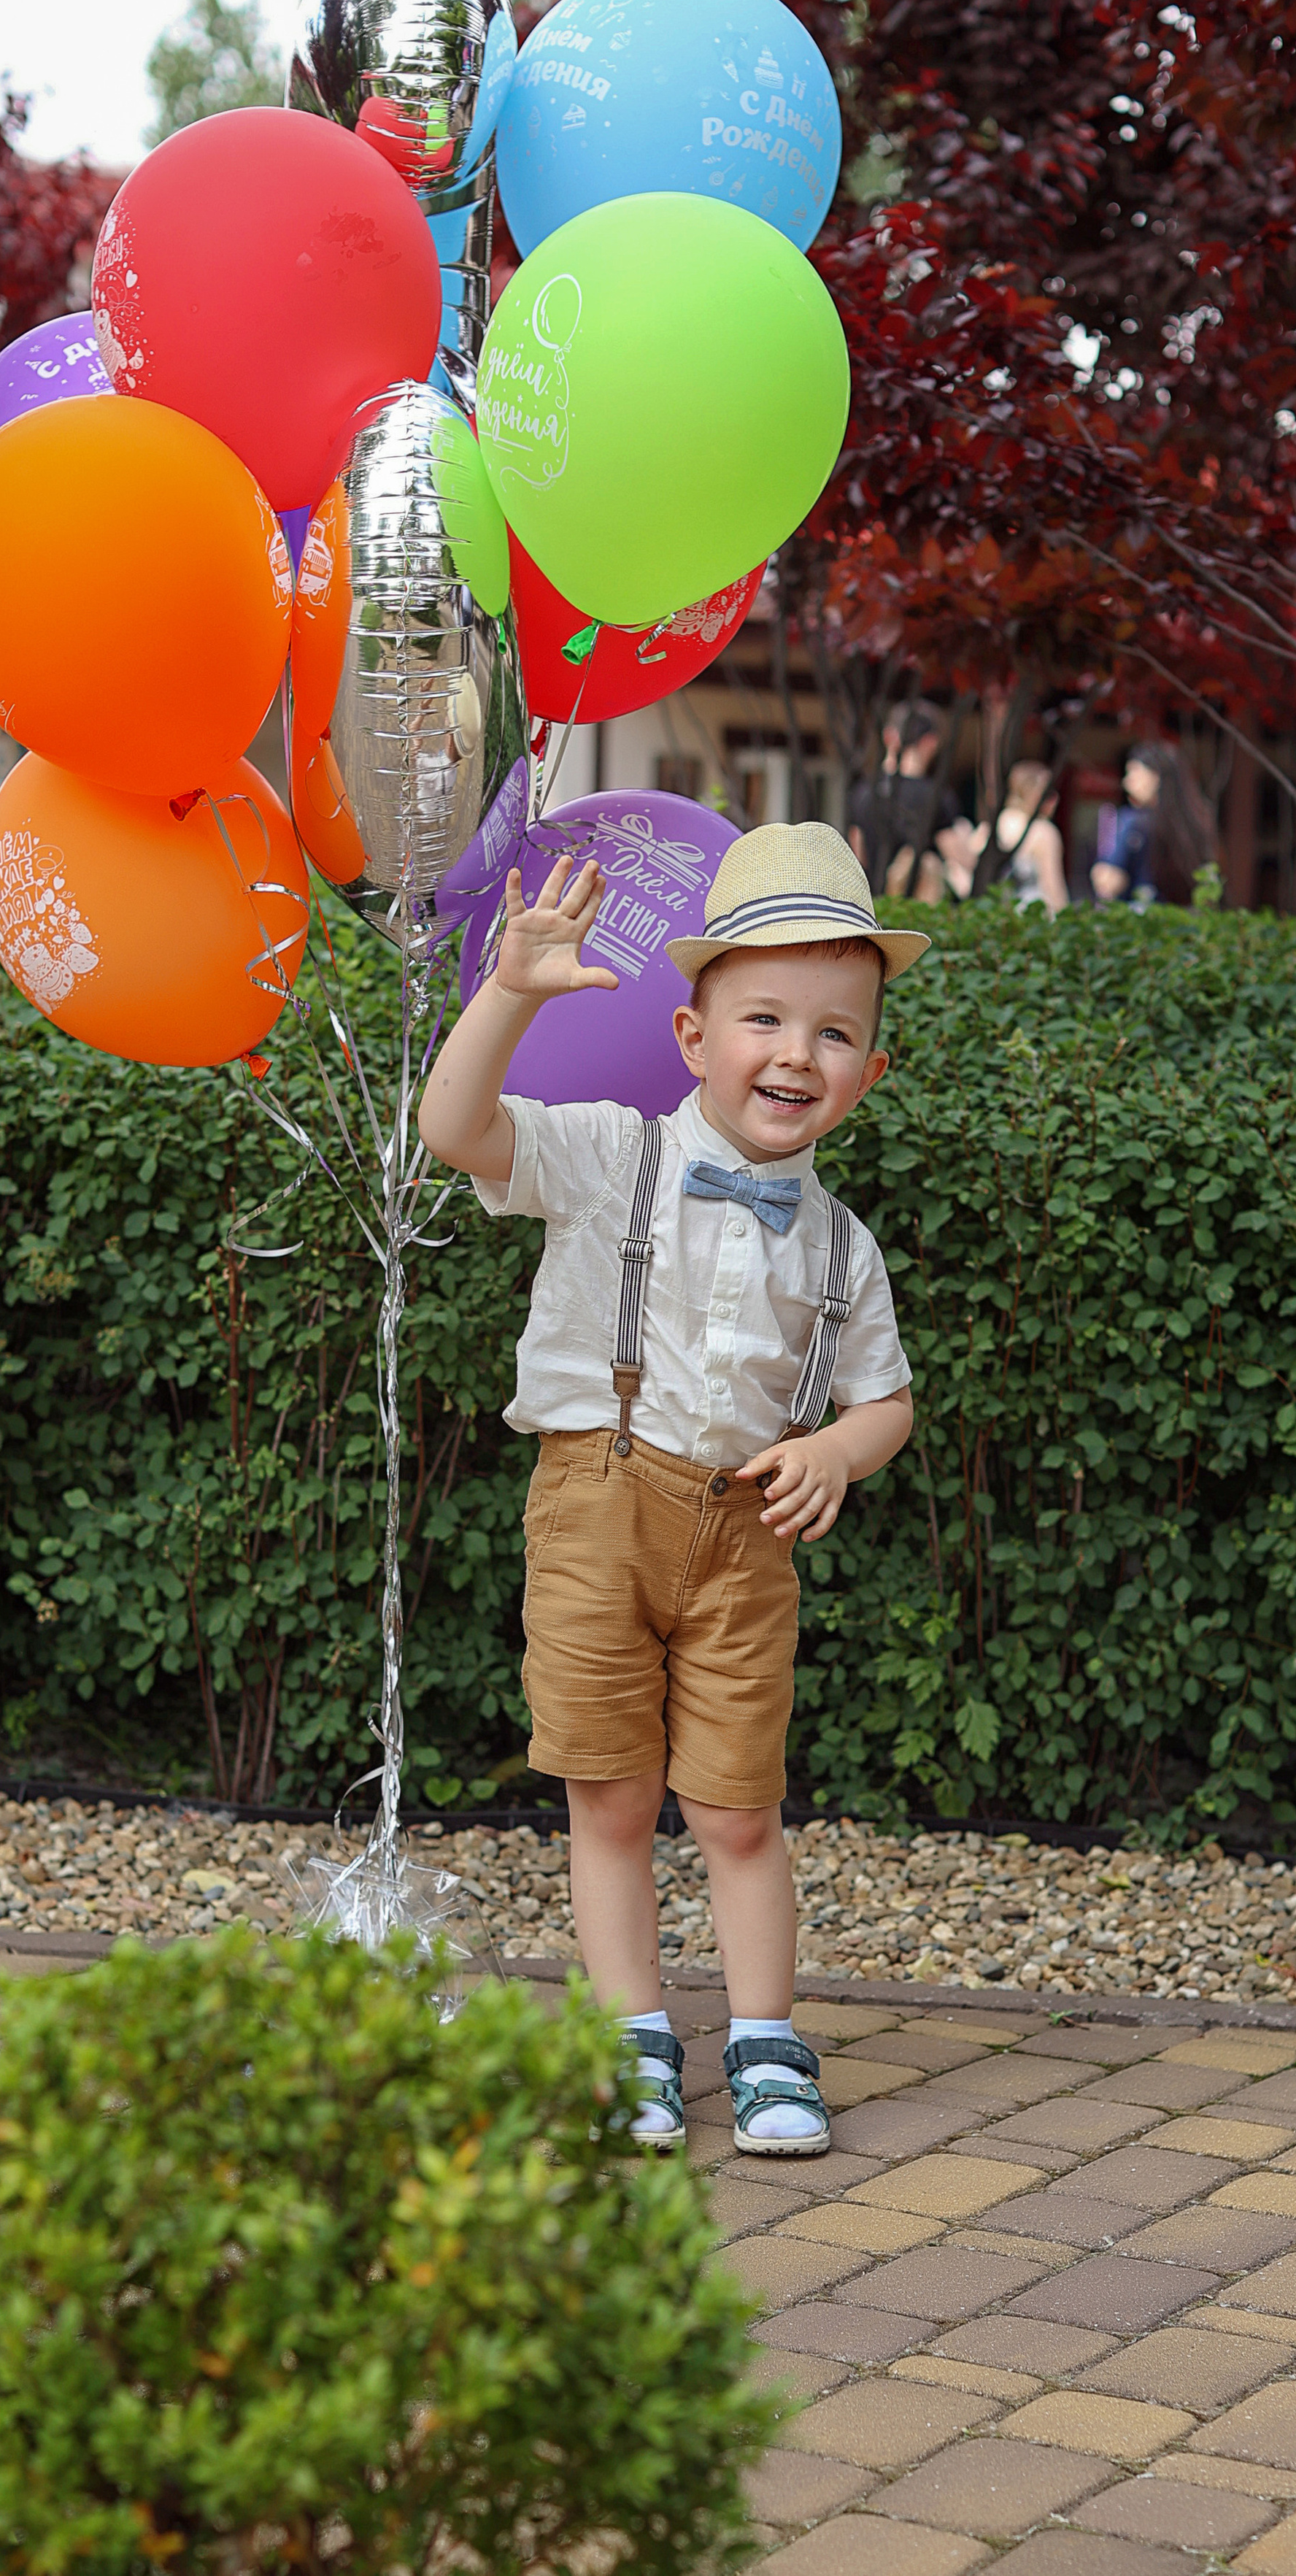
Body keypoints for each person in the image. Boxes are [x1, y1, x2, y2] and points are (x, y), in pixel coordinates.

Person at [417, 823, 926, 2159]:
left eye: (832, 1032)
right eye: (764, 1018)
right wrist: (513, 988)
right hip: (594, 1503)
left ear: (869, 1069)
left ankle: (766, 2040)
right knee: (612, 1798)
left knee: (738, 1808)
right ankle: (630, 2035)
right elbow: (452, 1127)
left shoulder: (840, 1242)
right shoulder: (605, 1155)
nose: (795, 1055)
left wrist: (837, 1450)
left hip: (746, 1535)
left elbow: (886, 1399)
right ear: (695, 1038)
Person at [846, 705, 959, 899]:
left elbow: (857, 854)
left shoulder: (862, 792)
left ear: (889, 736)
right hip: (919, 915)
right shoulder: (935, 796)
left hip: (875, 910)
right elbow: (956, 857)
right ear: (931, 742)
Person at [936, 760, 1070, 915]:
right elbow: (1053, 888)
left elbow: (968, 874)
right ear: (1032, 793)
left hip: (994, 920)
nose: (1056, 799)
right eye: (1049, 793)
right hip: (1032, 923)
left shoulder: (988, 828)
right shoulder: (1043, 831)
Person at [1092, 742, 1217, 908]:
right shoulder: (1197, 821)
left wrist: (1099, 871)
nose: (1126, 782)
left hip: (1139, 921)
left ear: (1156, 777)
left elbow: (1109, 882)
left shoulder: (1133, 821)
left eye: (1134, 773)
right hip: (1182, 922)